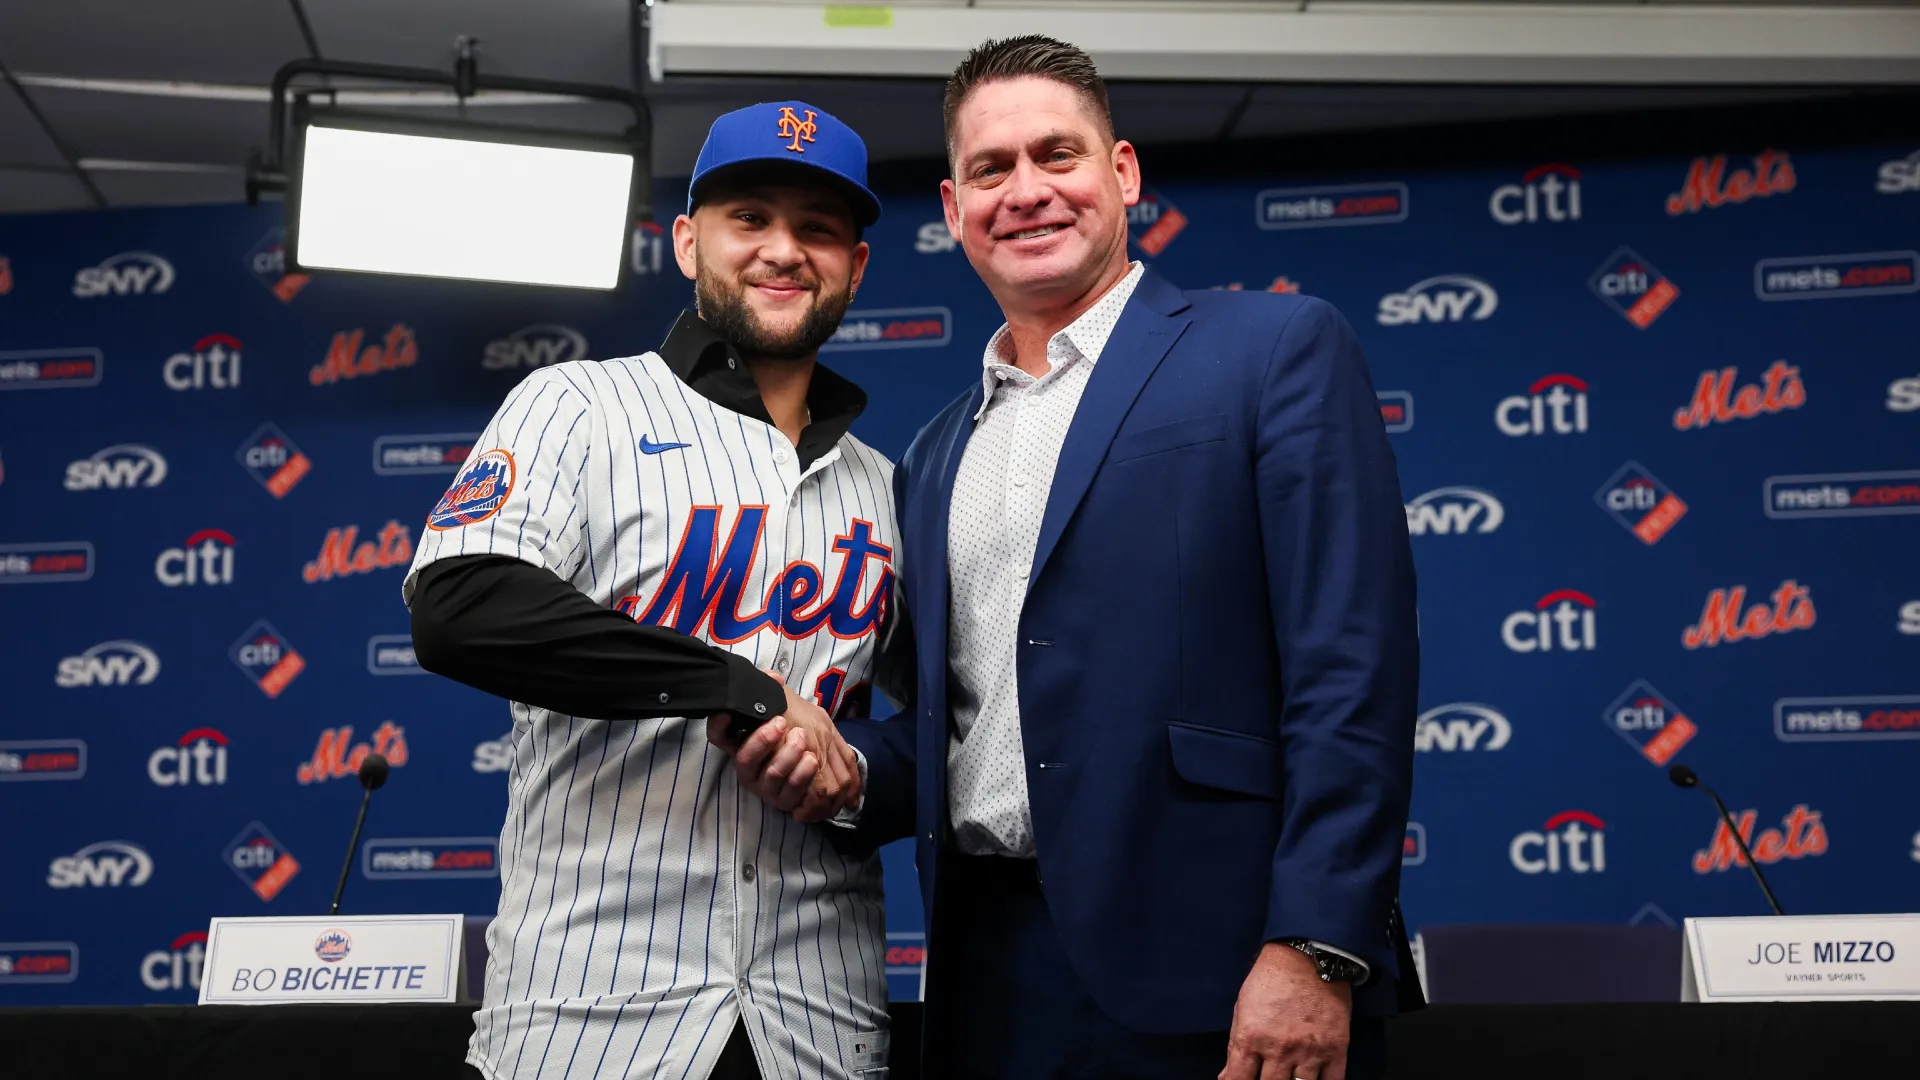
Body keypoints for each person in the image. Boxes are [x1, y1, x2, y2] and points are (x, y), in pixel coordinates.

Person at [734, 37, 1421, 1080]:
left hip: (1229, 972)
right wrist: (840, 766)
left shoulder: (1274, 350)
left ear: (1124, 173)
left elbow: (1352, 669)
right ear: (955, 209)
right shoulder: (931, 454)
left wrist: (1317, 948)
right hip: (988, 975)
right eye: (991, 170)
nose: (1028, 191)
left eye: (1058, 154)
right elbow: (953, 726)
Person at [406, 100, 890, 1080]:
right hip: (593, 1009)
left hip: (817, 1017)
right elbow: (460, 604)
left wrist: (857, 773)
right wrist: (737, 687)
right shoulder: (579, 404)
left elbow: (942, 730)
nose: (782, 249)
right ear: (686, 241)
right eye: (749, 217)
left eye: (818, 228)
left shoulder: (886, 486)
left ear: (856, 264)